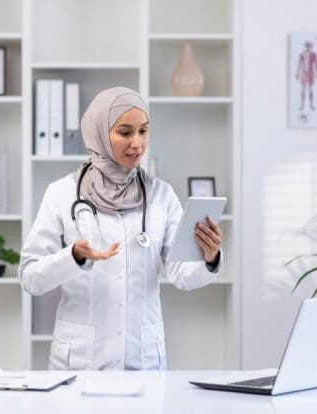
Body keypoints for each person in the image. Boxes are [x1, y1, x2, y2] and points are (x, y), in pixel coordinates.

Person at [18, 87, 222, 371]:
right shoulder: (62, 194)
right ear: (99, 133)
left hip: (142, 359)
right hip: (80, 363)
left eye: (143, 131)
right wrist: (73, 257)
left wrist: (209, 259)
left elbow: (182, 275)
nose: (137, 143)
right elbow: (30, 278)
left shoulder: (161, 195)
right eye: (125, 133)